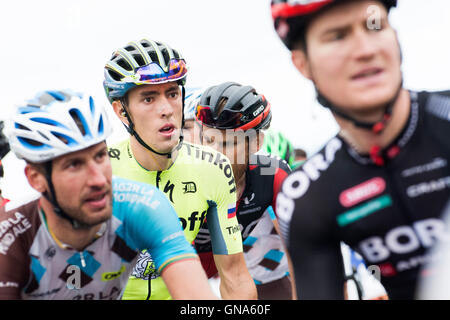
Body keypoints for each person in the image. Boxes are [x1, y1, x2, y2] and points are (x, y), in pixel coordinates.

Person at [271, 0, 450, 299]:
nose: (366, 49)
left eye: (375, 25)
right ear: (302, 64)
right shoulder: (305, 196)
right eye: (338, 36)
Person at [0, 90, 217, 300]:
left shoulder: (143, 206)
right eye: (74, 165)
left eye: (100, 156)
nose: (98, 180)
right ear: (36, 178)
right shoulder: (10, 239)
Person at [103, 38, 256, 300]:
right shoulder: (101, 170)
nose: (166, 110)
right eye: (148, 98)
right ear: (121, 111)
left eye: (172, 94)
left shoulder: (213, 168)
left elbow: (235, 277)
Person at [194, 81, 293, 299]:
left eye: (229, 143)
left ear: (256, 142)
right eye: (209, 140)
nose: (215, 154)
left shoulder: (272, 174)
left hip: (234, 273)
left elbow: (305, 254)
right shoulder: (182, 179)